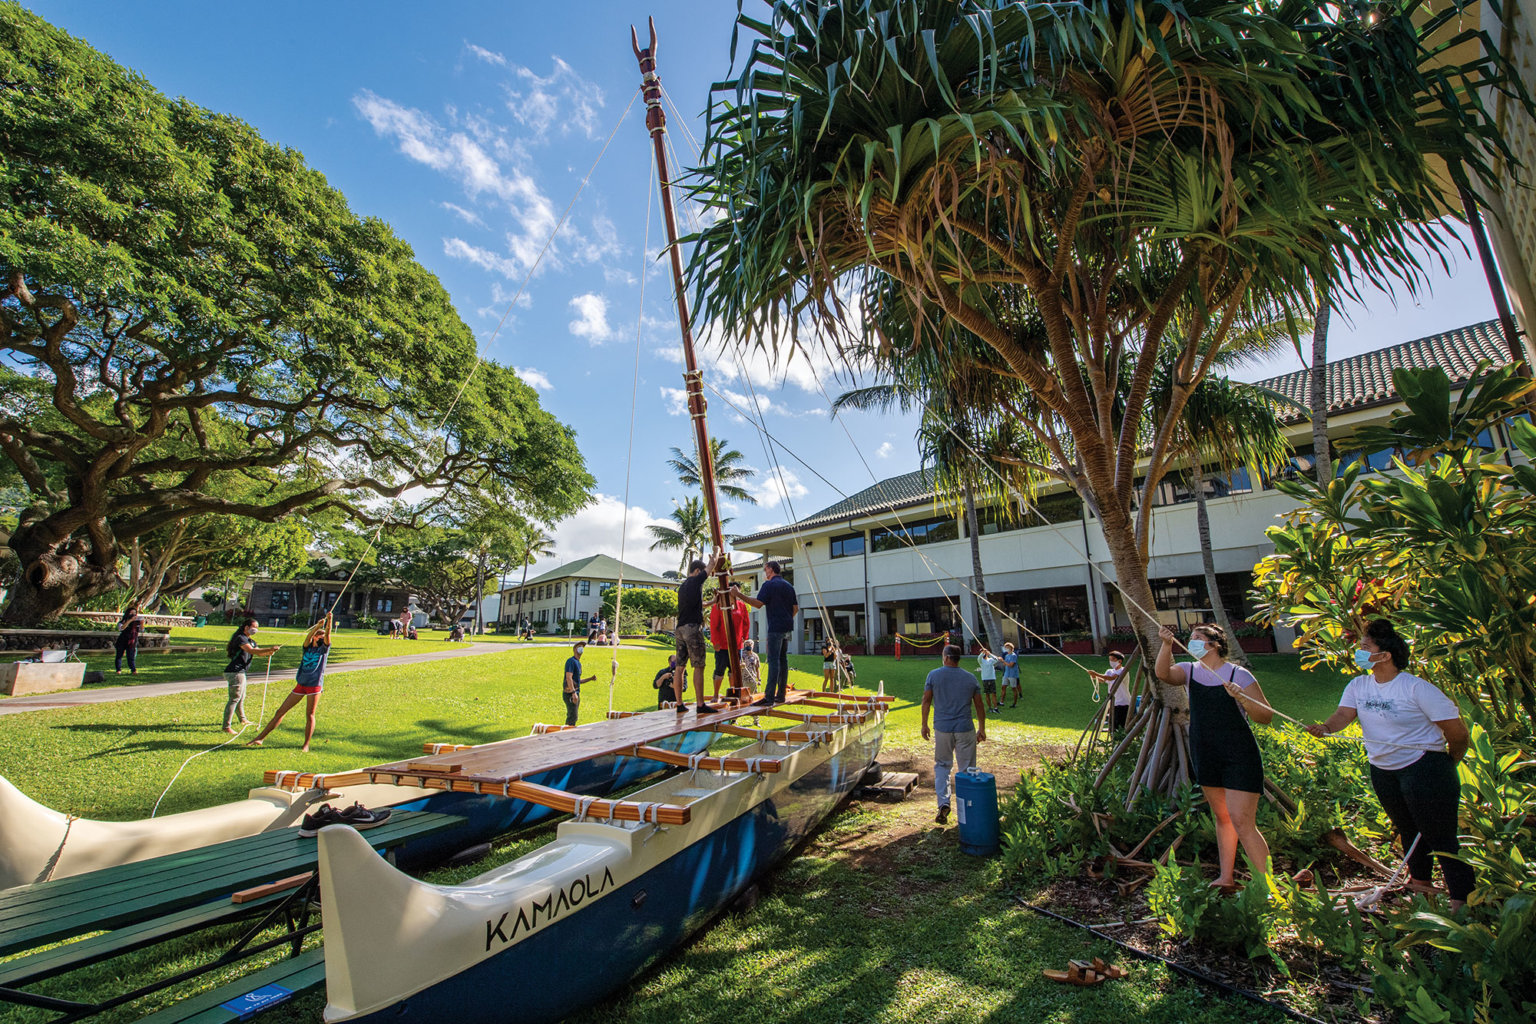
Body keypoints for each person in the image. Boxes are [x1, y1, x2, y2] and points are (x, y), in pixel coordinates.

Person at [1305, 619, 1473, 909]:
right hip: (1383, 769)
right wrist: (1326, 728)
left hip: (1424, 766)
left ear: (1385, 656)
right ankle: (1421, 886)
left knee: (1439, 834)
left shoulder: (1416, 689)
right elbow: (1343, 715)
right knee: (1407, 828)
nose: (1358, 651)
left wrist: (1448, 763)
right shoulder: (1359, 685)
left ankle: (1462, 898)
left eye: (1365, 647)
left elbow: (1457, 733)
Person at [1155, 622, 1275, 889]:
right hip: (1205, 752)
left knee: (1243, 821)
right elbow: (1163, 673)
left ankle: (1269, 887)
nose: (1192, 642)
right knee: (1222, 817)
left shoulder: (1238, 674)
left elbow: (1265, 717)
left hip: (1238, 754)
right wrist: (1166, 645)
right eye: (1191, 638)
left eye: (1198, 638)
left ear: (1215, 645)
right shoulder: (1189, 671)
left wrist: (1242, 698)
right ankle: (1226, 877)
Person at [920, 644, 987, 825]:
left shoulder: (934, 675)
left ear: (946, 657)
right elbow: (979, 705)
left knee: (942, 766)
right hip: (965, 728)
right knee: (967, 770)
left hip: (942, 728)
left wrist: (924, 724)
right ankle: (967, 810)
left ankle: (943, 803)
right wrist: (982, 728)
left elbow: (926, 700)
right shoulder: (970, 678)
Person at [248, 614, 332, 751]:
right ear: (315, 637)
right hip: (301, 684)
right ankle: (260, 738)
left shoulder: (323, 650)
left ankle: (306, 745)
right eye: (319, 636)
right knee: (280, 711)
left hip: (314, 686)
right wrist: (317, 626)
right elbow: (307, 639)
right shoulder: (307, 648)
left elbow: (328, 635)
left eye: (323, 636)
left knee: (310, 714)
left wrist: (329, 621)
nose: (322, 637)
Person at [731, 560, 798, 706]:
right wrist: (786, 618)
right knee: (783, 660)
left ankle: (768, 697)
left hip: (776, 627)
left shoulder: (768, 585)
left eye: (765, 569)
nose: (764, 572)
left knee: (773, 660)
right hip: (787, 626)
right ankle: (780, 695)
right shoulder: (788, 585)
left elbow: (758, 603)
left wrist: (739, 595)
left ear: (771, 569)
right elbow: (795, 608)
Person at [673, 554, 722, 714]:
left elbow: (698, 604)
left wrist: (712, 602)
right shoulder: (695, 580)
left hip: (679, 628)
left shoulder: (683, 586)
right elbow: (711, 565)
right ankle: (700, 705)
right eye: (701, 572)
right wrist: (715, 552)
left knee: (680, 667)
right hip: (692, 629)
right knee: (698, 665)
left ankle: (679, 704)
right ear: (697, 571)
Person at [223, 617, 281, 733]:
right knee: (234, 699)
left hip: (241, 672)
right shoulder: (241, 638)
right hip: (235, 672)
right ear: (246, 627)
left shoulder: (251, 641)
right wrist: (269, 648)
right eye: (254, 627)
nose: (255, 630)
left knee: (241, 697)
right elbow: (251, 651)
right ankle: (226, 726)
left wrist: (269, 652)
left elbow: (258, 652)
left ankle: (243, 720)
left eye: (257, 628)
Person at [709, 592, 751, 702]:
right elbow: (713, 625)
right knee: (719, 670)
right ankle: (716, 694)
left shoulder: (741, 606)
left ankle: (733, 693)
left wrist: (745, 636)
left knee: (734, 670)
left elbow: (746, 622)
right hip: (722, 645)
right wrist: (715, 641)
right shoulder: (718, 606)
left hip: (737, 645)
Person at [1089, 651, 1132, 732]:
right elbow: (1104, 680)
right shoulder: (1109, 671)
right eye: (1110, 659)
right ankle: (1113, 738)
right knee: (1113, 722)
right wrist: (1094, 677)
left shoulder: (1123, 670)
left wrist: (1096, 674)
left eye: (1113, 659)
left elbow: (1112, 678)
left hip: (1123, 701)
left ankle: (1121, 740)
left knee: (1121, 723)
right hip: (1112, 701)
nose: (1111, 661)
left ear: (1119, 661)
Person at [561, 640, 597, 726]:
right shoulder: (571, 661)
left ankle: (568, 732)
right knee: (572, 716)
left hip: (575, 692)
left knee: (574, 716)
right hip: (570, 693)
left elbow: (577, 681)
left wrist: (590, 679)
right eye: (579, 646)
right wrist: (573, 693)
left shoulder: (578, 663)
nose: (581, 649)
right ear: (574, 649)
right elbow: (568, 677)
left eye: (582, 647)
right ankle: (566, 734)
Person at [114, 603, 143, 675]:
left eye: (134, 613)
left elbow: (142, 630)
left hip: (132, 641)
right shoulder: (123, 621)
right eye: (131, 613)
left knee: (130, 656)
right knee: (119, 655)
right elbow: (122, 628)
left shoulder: (137, 622)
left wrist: (142, 623)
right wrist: (130, 620)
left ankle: (133, 670)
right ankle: (118, 670)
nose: (133, 614)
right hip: (123, 640)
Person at [976, 647, 1000, 712]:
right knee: (987, 694)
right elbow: (979, 658)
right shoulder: (981, 661)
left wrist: (989, 654)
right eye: (983, 653)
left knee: (994, 693)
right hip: (985, 679)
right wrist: (982, 653)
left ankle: (995, 708)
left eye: (985, 653)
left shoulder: (990, 660)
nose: (984, 654)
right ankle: (990, 708)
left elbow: (996, 659)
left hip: (992, 678)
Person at [1000, 641, 1021, 708]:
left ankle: (1014, 703)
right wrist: (1002, 661)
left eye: (1008, 648)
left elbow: (1011, 665)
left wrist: (1003, 661)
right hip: (1006, 674)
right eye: (1006, 648)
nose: (1006, 649)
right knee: (1003, 687)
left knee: (1013, 688)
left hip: (1012, 675)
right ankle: (1001, 702)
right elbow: (1005, 664)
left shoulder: (1013, 655)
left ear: (1011, 648)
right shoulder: (1006, 655)